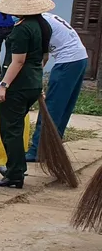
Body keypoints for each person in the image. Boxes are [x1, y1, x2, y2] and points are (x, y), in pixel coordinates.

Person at [0, 0, 53, 188]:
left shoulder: (22, 29)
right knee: (15, 126)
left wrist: (3, 85)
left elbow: (17, 61)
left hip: (18, 85)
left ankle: (15, 174)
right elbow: (42, 58)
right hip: (32, 82)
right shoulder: (43, 26)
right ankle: (13, 168)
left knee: (11, 129)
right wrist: (37, 82)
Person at [26, 13, 88, 162]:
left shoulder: (37, 24)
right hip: (80, 58)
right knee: (63, 107)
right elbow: (44, 56)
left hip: (68, 61)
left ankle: (37, 151)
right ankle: (53, 148)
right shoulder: (46, 17)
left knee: (51, 107)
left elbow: (36, 57)